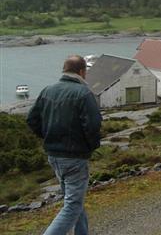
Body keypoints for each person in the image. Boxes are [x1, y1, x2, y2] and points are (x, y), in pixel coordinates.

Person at [27, 55, 102, 235]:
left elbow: (32, 120)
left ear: (64, 70)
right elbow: (93, 125)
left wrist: (48, 137)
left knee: (74, 200)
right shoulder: (84, 93)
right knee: (72, 205)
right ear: (82, 71)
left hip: (54, 156)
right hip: (75, 157)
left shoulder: (47, 91)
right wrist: (91, 147)